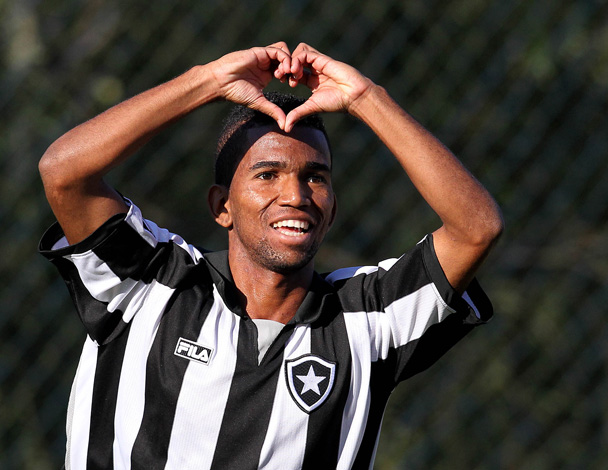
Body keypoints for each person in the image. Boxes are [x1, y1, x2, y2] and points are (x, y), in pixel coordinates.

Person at [39, 42, 503, 470]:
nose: (295, 195)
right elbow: (65, 172)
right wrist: (209, 80)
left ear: (333, 208)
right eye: (267, 174)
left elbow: (477, 229)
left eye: (316, 178)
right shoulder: (154, 279)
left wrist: (366, 97)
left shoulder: (369, 316)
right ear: (223, 207)